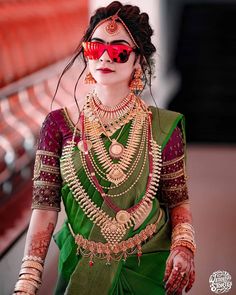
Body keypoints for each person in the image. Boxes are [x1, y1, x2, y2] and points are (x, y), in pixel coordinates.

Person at [13, 1, 196, 294]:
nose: (105, 58)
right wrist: (29, 277)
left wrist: (184, 247)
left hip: (147, 265)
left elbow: (177, 201)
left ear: (139, 62)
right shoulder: (58, 125)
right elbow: (45, 207)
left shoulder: (162, 127)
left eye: (119, 51)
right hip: (82, 266)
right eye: (96, 48)